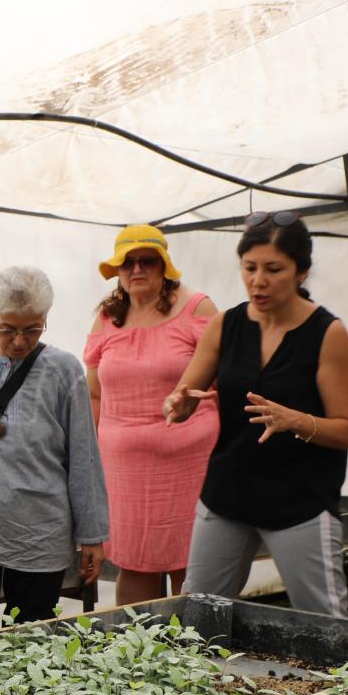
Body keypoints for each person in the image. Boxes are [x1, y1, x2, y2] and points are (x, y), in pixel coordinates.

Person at [165, 212, 348, 616]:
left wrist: (295, 420)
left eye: (274, 269)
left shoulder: (328, 334)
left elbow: (345, 430)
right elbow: (184, 395)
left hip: (300, 505)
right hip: (226, 497)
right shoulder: (225, 325)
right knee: (197, 616)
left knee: (327, 627)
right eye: (249, 268)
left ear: (301, 272)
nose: (258, 280)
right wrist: (179, 405)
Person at [0, 266, 108, 632]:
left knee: (32, 636)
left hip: (38, 529)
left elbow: (83, 454)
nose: (19, 341)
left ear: (45, 319)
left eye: (32, 329)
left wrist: (91, 535)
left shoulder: (63, 369)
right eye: (7, 329)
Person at [85, 224, 218, 606]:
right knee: (134, 561)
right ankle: (137, 659)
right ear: (116, 271)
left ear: (165, 267)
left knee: (190, 565)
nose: (136, 269)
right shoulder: (107, 319)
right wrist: (89, 459)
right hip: (124, 471)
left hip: (190, 465)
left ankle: (194, 657)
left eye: (147, 261)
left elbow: (225, 382)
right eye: (126, 263)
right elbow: (94, 393)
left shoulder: (198, 308)